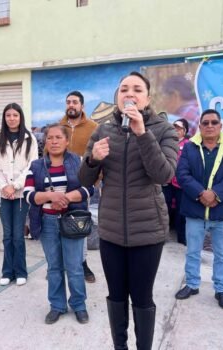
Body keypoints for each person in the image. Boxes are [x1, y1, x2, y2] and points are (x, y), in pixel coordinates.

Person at [79, 72, 179, 350]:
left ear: (147, 98)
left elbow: (164, 175)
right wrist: (92, 160)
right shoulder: (102, 131)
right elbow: (85, 180)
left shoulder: (163, 130)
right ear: (117, 97)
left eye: (137, 89)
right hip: (111, 230)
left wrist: (141, 134)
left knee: (142, 297)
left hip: (147, 232)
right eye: (124, 89)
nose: (129, 93)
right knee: (116, 296)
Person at [24, 124, 94, 325]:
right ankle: (57, 306)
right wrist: (49, 196)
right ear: (45, 142)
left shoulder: (78, 161)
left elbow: (89, 189)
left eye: (58, 137)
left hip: (72, 222)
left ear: (66, 140)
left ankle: (79, 305)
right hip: (47, 222)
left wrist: (65, 198)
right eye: (49, 138)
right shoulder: (36, 166)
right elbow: (28, 194)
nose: (53, 141)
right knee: (54, 267)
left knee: (74, 267)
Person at [175, 109, 223, 310]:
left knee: (222, 255)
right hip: (195, 211)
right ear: (200, 127)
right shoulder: (190, 148)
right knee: (193, 252)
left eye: (214, 122)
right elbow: (182, 174)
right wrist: (201, 194)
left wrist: (215, 194)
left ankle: (221, 290)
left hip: (222, 212)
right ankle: (192, 284)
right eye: (206, 123)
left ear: (220, 126)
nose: (210, 126)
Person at [0, 102, 38, 286]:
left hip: (20, 194)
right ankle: (7, 272)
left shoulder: (29, 138)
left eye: (15, 115)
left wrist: (15, 185)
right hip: (2, 194)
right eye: (8, 115)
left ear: (20, 117)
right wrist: (3, 186)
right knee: (7, 234)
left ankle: (20, 271)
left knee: (18, 234)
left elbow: (31, 165)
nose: (11, 118)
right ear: (4, 118)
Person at [59, 90, 98, 283]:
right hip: (59, 185)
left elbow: (99, 157)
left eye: (75, 102)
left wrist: (96, 181)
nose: (71, 105)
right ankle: (61, 263)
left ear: (82, 105)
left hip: (83, 185)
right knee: (59, 224)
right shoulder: (59, 126)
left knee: (80, 225)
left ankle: (82, 263)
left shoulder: (93, 127)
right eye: (68, 102)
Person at [163, 118, 191, 245]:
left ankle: (181, 237)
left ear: (184, 131)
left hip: (180, 183)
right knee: (164, 208)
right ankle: (163, 235)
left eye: (179, 128)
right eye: (174, 127)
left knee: (181, 210)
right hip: (167, 181)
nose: (176, 130)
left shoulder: (189, 145)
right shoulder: (167, 142)